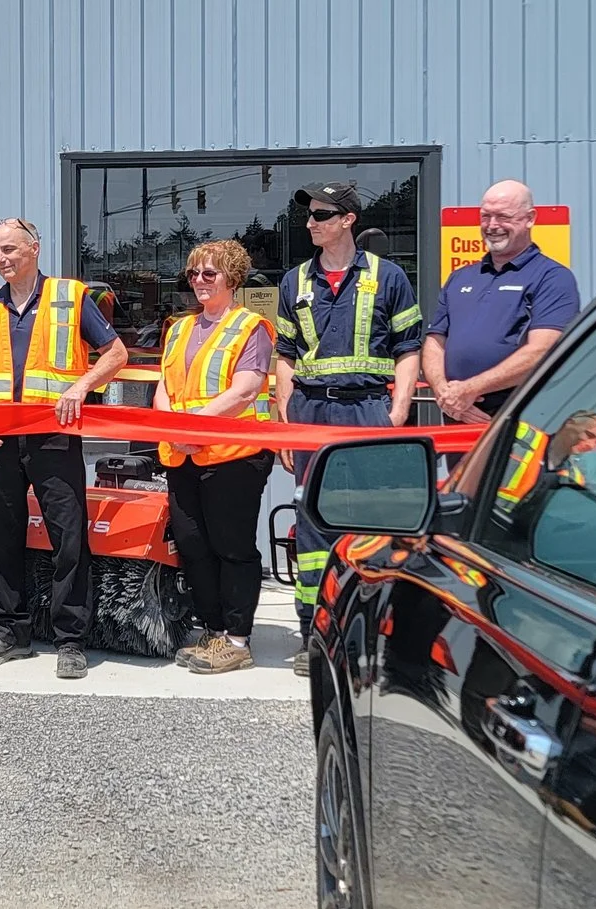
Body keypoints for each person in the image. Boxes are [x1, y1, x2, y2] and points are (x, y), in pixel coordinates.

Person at [0, 218, 129, 680]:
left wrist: (81, 387)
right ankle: (9, 631)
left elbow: (116, 354)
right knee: (2, 536)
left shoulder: (71, 297)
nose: (1, 259)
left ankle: (71, 639)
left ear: (34, 248)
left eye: (10, 249)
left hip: (54, 437)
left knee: (68, 536)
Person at [274, 181, 422, 677]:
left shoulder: (389, 277)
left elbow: (408, 346)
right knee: (313, 523)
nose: (311, 222)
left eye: (321, 214)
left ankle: (372, 633)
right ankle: (313, 633)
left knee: (373, 522)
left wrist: (398, 408)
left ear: (347, 220)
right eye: (310, 215)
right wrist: (284, 419)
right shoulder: (294, 281)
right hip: (311, 415)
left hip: (368, 412)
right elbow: (285, 356)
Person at [159, 240, 275, 676]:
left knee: (232, 547)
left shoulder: (252, 327)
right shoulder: (179, 328)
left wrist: (189, 426)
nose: (200, 281)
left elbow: (245, 389)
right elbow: (163, 388)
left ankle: (237, 638)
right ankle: (212, 630)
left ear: (233, 279)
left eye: (210, 273)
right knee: (192, 544)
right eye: (193, 273)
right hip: (181, 454)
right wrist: (173, 427)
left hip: (233, 456)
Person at [422, 180, 581, 423]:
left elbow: (544, 350)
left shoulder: (552, 277)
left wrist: (470, 389)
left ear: (530, 218)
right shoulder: (460, 277)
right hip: (458, 415)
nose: (492, 226)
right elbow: (435, 342)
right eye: (485, 216)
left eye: (503, 216)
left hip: (518, 417)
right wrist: (446, 394)